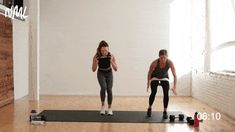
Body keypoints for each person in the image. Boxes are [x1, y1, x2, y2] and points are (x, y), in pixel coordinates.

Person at [146, 49, 177, 118]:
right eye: (161, 58)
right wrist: (148, 83)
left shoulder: (170, 63)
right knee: (153, 92)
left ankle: (165, 111)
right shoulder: (154, 63)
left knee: (166, 93)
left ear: (167, 57)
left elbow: (174, 75)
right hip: (155, 77)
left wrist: (174, 87)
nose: (163, 59)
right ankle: (149, 108)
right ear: (159, 57)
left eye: (164, 57)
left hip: (164, 77)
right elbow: (149, 73)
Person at [92, 40, 118, 116]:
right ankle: (103, 106)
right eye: (102, 50)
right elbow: (93, 69)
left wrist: (112, 62)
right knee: (103, 87)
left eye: (106, 50)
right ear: (100, 50)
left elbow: (116, 69)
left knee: (109, 89)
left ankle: (109, 108)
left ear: (108, 49)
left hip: (109, 73)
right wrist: (96, 63)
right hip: (101, 73)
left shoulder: (111, 55)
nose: (104, 52)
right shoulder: (96, 56)